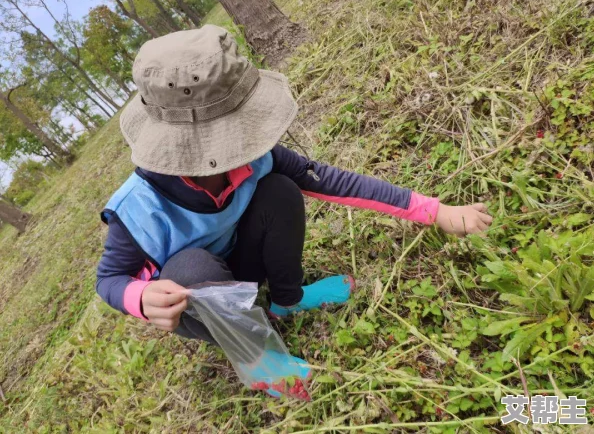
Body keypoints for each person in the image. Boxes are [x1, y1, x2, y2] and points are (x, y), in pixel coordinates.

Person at [96, 25, 493, 397]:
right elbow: (109, 279)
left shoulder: (254, 156)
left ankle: (287, 299)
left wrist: (434, 211)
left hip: (242, 264)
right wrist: (141, 296)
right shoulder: (138, 209)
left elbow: (333, 181)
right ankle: (261, 362)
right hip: (200, 302)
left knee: (281, 191)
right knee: (191, 268)